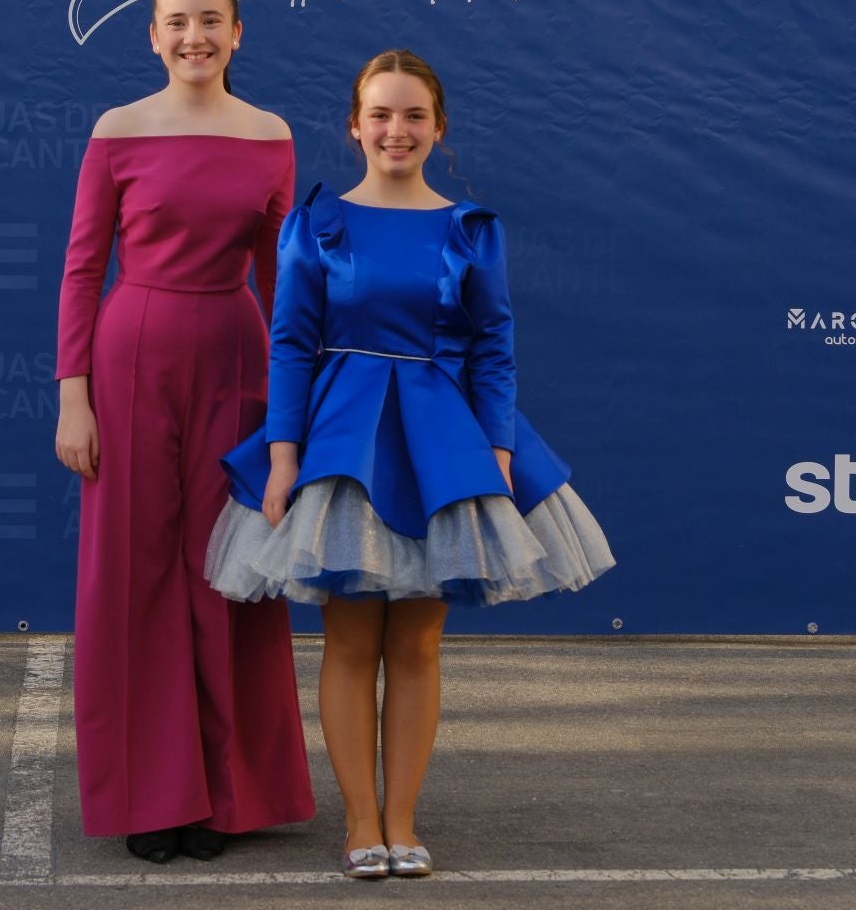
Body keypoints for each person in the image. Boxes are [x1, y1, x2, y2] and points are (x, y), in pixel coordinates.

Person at [204, 49, 615, 878]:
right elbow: (289, 344)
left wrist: (496, 454)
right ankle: (360, 823)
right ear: (354, 125)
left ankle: (403, 819)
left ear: (439, 128)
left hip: (445, 441)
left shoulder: (470, 229)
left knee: (421, 643)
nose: (397, 130)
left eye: (413, 116)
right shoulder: (316, 225)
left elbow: (495, 346)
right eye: (381, 115)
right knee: (351, 641)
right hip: (344, 441)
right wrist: (283, 460)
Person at [55, 0, 314, 863]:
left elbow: (285, 284)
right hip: (129, 361)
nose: (193, 36)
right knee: (133, 577)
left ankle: (225, 794)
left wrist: (294, 413)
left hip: (236, 359)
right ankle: (148, 795)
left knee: (228, 572)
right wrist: (73, 399)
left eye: (211, 20)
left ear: (238, 34)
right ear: (152, 36)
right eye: (176, 22)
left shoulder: (271, 136)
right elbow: (84, 267)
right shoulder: (118, 130)